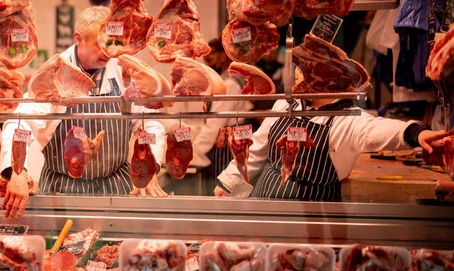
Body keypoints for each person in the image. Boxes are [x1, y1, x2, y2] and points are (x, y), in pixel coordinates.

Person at [0, 6, 167, 218]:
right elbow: (21, 123)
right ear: (79, 39)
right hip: (61, 190)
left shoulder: (124, 72)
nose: (108, 50)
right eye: (99, 43)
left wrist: (150, 163)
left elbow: (149, 124)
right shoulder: (56, 73)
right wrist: (17, 171)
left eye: (112, 41)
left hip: (117, 186)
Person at [215, 96, 454, 201]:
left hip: (315, 217)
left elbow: (380, 131)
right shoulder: (285, 105)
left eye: (303, 70)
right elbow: (257, 149)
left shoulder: (347, 119)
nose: (297, 76)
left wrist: (417, 134)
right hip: (264, 205)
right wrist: (228, 183)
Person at [189, 38, 251, 194]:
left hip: (225, 149)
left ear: (223, 56)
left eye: (210, 58)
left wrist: (193, 152)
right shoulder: (225, 81)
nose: (208, 64)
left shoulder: (229, 84)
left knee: (221, 194)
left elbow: (214, 126)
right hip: (222, 147)